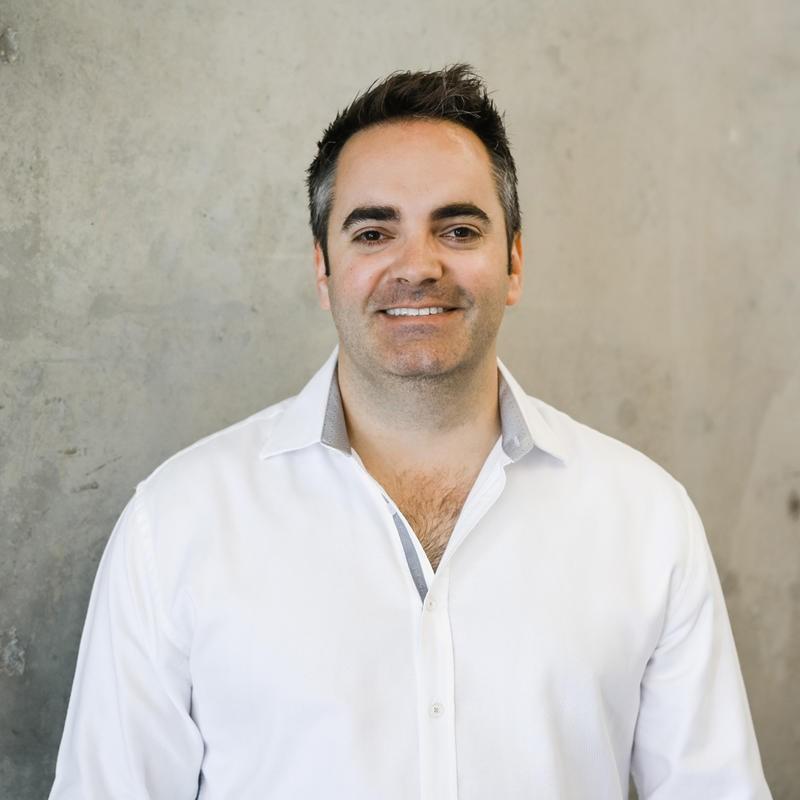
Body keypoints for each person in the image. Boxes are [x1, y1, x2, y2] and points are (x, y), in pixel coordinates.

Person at [50, 65, 771, 799]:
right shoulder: (175, 525)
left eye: (458, 230)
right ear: (323, 271)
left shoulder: (647, 520)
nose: (419, 267)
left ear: (514, 263)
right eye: (374, 232)